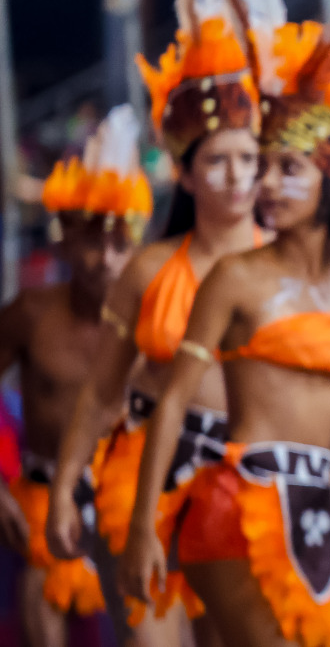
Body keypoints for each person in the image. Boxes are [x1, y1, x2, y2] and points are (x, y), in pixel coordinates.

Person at [118, 1, 330, 647]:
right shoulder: (234, 278)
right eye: (261, 167)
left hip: (324, 511)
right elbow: (172, 402)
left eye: (285, 169)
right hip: (232, 502)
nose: (264, 184)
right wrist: (139, 533)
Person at [47, 0, 269, 644]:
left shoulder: (281, 266)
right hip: (145, 474)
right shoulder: (149, 268)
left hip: (245, 484)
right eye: (219, 161)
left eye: (248, 159)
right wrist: (63, 487)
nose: (235, 176)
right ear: (188, 172)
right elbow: (100, 393)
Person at [0, 107, 148, 646]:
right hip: (40, 505)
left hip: (132, 505)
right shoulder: (31, 313)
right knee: (41, 606)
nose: (104, 258)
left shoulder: (159, 317)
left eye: (118, 243)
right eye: (90, 240)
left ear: (137, 246)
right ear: (63, 242)